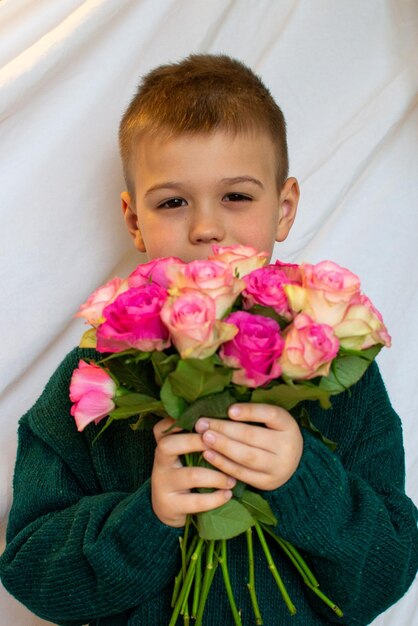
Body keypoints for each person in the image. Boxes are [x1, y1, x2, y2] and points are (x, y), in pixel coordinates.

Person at [0, 54, 417, 626]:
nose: (205, 227)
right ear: (133, 220)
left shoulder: (336, 367)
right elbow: (28, 566)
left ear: (285, 208)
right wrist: (145, 517)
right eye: (173, 202)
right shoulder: (91, 377)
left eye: (237, 197)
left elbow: (391, 566)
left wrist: (304, 481)